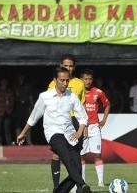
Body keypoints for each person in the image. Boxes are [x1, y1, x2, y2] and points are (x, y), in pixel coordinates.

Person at [17, 67, 92, 193]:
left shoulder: (72, 97)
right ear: (55, 80)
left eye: (67, 80)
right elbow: (34, 116)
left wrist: (80, 131)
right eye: (62, 80)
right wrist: (23, 133)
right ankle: (83, 185)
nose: (65, 83)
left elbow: (83, 117)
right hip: (53, 134)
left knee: (77, 169)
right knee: (67, 159)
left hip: (70, 134)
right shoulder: (45, 97)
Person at [47, 54, 86, 191]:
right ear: (61, 65)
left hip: (74, 121)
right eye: (65, 65)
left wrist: (84, 126)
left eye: (70, 66)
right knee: (57, 154)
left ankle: (79, 186)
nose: (68, 68)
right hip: (59, 122)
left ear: (74, 67)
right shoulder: (53, 84)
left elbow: (82, 106)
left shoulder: (79, 84)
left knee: (76, 158)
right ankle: (56, 186)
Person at [80, 69, 110, 187]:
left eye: (90, 79)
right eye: (85, 79)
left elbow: (107, 104)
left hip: (94, 127)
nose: (88, 81)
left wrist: (104, 120)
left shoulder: (98, 92)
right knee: (81, 156)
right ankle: (82, 182)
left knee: (97, 154)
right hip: (82, 128)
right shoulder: (77, 93)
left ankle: (101, 182)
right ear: (81, 79)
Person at [0, 78, 15, 145]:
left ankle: (9, 142)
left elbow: (12, 102)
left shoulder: (9, 91)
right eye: (3, 83)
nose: (4, 84)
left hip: (7, 112)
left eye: (5, 83)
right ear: (1, 84)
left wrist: (10, 110)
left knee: (7, 128)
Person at [13, 74, 34, 145]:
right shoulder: (16, 86)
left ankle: (29, 141)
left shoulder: (27, 86)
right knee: (18, 124)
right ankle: (18, 141)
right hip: (18, 105)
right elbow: (13, 98)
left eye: (22, 77)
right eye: (20, 77)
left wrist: (32, 105)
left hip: (26, 105)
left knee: (28, 123)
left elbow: (30, 96)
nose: (21, 79)